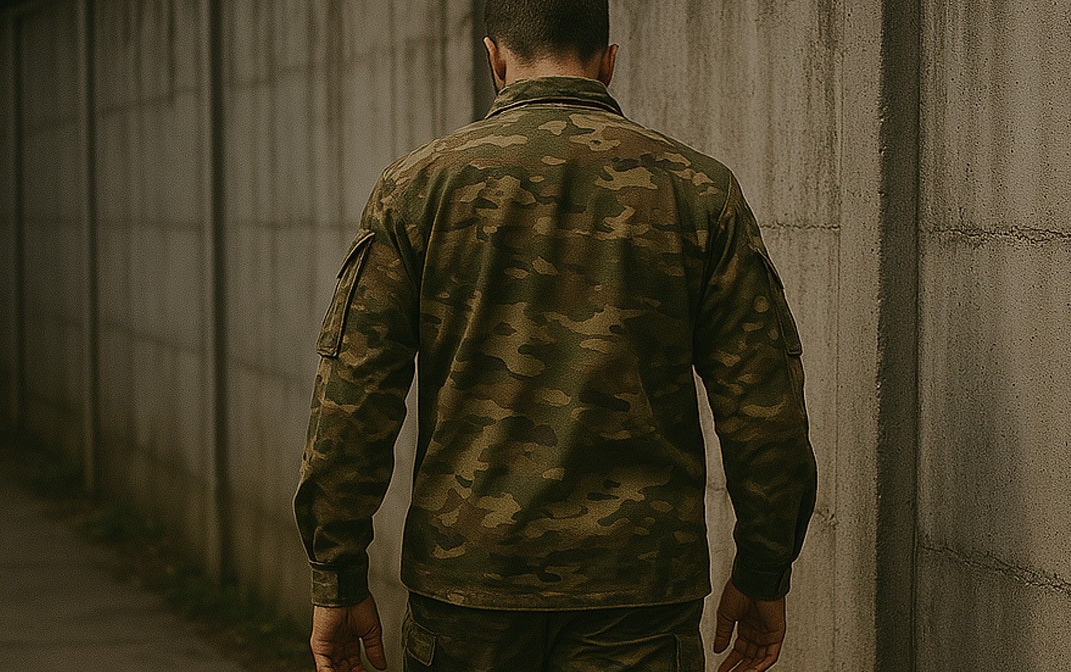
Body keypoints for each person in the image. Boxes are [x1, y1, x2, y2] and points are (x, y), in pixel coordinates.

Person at [293, 1, 817, 670]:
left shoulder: (419, 188)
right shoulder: (698, 191)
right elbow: (764, 403)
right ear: (609, 61)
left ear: (494, 59)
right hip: (636, 595)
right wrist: (765, 569)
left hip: (470, 587)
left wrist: (336, 574)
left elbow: (354, 396)